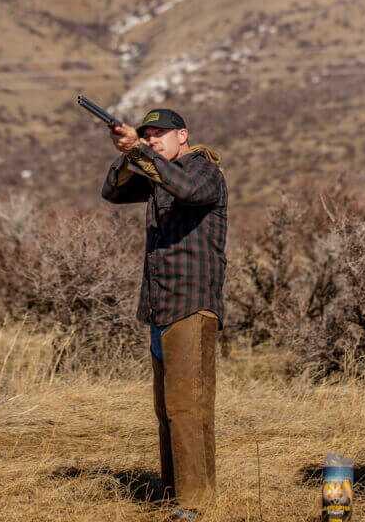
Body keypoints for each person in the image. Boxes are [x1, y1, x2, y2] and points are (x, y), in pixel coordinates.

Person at [100, 107, 227, 522]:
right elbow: (112, 192)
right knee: (168, 408)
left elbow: (188, 190)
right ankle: (175, 494)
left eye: (160, 134)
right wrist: (126, 153)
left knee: (188, 406)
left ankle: (193, 503)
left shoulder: (203, 170)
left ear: (183, 136)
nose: (153, 140)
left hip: (191, 304)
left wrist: (142, 153)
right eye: (147, 135)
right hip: (159, 305)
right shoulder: (157, 173)